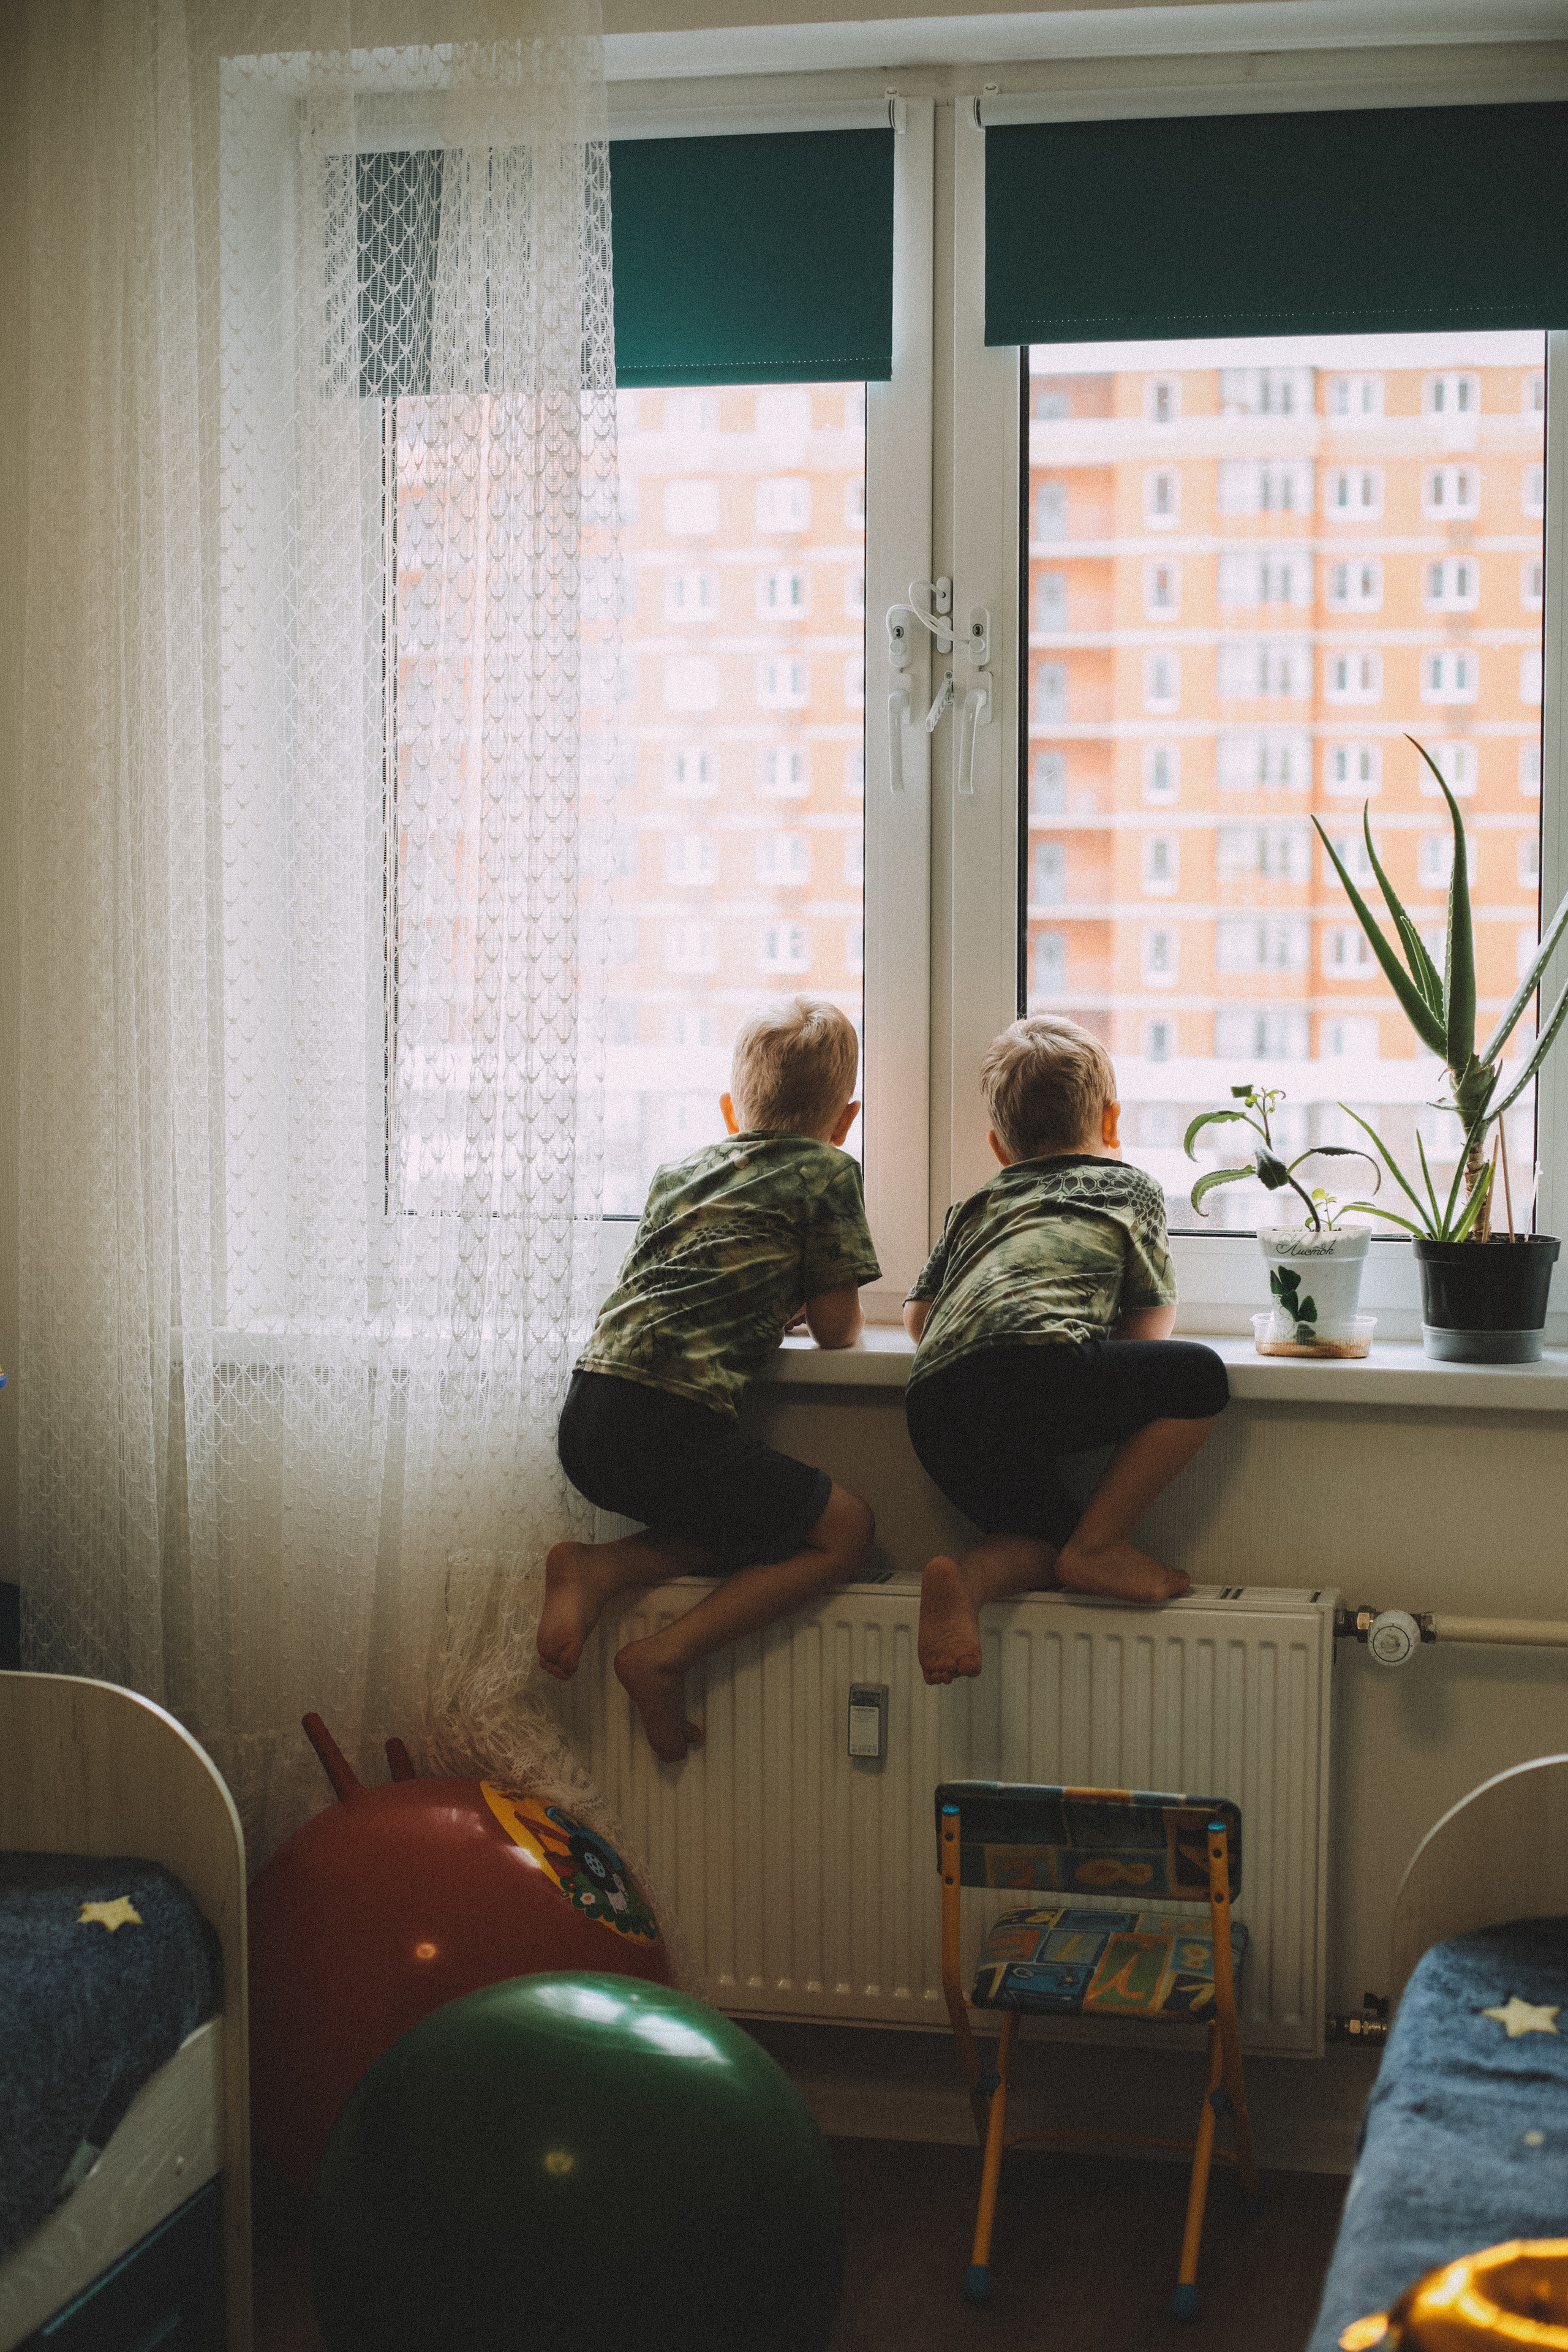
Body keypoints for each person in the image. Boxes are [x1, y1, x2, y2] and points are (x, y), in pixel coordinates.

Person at [540, 995, 881, 1758]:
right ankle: (664, 1655)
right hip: (669, 1421)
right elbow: (838, 1330)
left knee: (745, 1522)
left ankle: (598, 1571)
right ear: (846, 1118)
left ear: (732, 1108)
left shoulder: (679, 1172)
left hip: (590, 1407)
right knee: (843, 1531)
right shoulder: (827, 1171)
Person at [903, 1014, 1227, 1687]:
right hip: (1040, 1369)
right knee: (1199, 1375)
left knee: (1039, 1539)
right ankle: (1103, 1545)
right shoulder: (1128, 1186)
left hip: (935, 1404)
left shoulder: (977, 1203)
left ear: (999, 1145)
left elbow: (918, 1317)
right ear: (1111, 1122)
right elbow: (1150, 1322)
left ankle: (963, 1582)